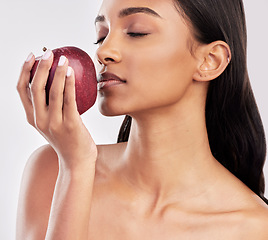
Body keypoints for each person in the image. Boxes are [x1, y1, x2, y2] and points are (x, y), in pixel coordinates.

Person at [16, 0, 268, 239]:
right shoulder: (53, 170)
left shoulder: (255, 228)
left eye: (136, 32)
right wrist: (75, 169)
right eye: (101, 36)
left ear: (209, 61)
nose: (103, 51)